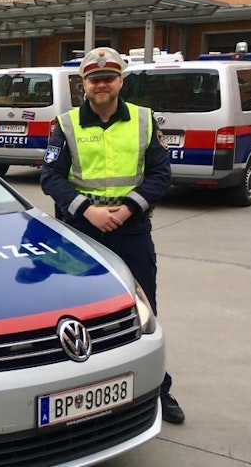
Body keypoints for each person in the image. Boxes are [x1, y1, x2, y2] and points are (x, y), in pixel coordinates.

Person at [40, 46, 185, 425]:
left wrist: (126, 209)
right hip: (80, 233)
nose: (101, 84)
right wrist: (88, 210)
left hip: (131, 229)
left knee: (142, 311)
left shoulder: (143, 120)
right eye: (93, 78)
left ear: (121, 80)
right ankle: (78, 393)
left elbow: (161, 175)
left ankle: (157, 390)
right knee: (75, 315)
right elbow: (50, 177)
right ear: (83, 84)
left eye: (108, 77)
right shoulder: (66, 123)